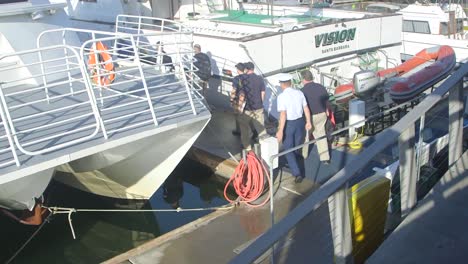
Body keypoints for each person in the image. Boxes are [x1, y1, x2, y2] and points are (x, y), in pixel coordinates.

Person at [276, 73, 312, 183]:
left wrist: (280, 131)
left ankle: (297, 173)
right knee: (296, 146)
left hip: (289, 124)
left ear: (282, 84)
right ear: (290, 83)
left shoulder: (281, 97)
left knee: (288, 149)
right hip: (300, 122)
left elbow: (283, 114)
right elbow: (306, 108)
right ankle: (296, 162)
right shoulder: (299, 93)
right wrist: (308, 121)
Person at [300, 70, 330, 164]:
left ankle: (304, 155)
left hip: (310, 117)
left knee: (306, 137)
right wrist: (327, 110)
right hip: (322, 114)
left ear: (304, 79)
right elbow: (327, 100)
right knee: (321, 135)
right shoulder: (320, 87)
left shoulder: (302, 91)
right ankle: (325, 158)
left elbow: (303, 107)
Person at [237, 61, 266, 150]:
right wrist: (260, 103)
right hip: (258, 107)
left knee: (244, 129)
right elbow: (263, 93)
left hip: (247, 109)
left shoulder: (243, 80)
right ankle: (265, 147)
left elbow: (242, 95)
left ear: (246, 69)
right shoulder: (260, 79)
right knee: (261, 128)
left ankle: (248, 148)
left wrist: (239, 108)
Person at [230, 62, 246, 136]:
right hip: (248, 100)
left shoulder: (236, 78)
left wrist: (231, 99)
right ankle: (251, 131)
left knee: (238, 115)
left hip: (239, 100)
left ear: (238, 69)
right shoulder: (249, 77)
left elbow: (234, 90)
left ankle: (239, 130)